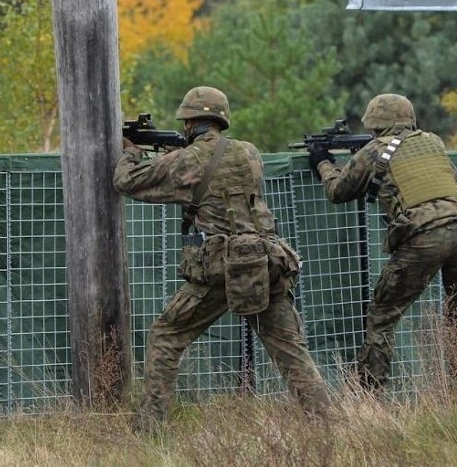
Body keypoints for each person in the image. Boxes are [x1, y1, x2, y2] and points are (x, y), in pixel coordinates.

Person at [114, 85, 330, 432]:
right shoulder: (249, 152)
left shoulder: (188, 160)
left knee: (165, 336)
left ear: (189, 123)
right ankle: (329, 425)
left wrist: (132, 152)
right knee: (291, 352)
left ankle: (150, 428)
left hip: (223, 268)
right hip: (266, 262)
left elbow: (125, 182)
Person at [308, 93, 457, 391]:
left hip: (424, 236)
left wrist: (322, 161)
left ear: (374, 123)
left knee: (383, 315)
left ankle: (371, 395)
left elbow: (337, 191)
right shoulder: (433, 141)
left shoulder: (373, 152)